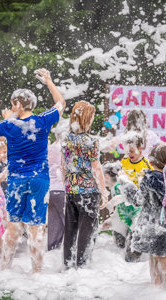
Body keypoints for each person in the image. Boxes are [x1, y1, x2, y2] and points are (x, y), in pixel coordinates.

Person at [0, 68, 66, 272]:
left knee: (13, 226)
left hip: (17, 180)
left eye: (12, 105)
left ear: (17, 105)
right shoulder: (43, 120)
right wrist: (49, 81)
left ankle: (5, 268)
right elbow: (61, 104)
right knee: (36, 228)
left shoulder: (10, 125)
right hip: (40, 180)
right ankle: (37, 271)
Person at [119, 144, 166, 284]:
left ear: (150, 162)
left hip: (150, 225)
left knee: (154, 261)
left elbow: (138, 200)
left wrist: (127, 187)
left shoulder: (149, 179)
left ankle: (159, 290)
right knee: (164, 262)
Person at [62, 101, 108, 269]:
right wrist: (103, 191)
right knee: (87, 231)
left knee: (70, 230)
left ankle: (67, 264)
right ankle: (82, 266)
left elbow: (64, 166)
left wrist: (66, 185)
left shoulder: (66, 139)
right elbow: (96, 167)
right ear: (87, 120)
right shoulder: (91, 141)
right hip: (88, 192)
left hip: (71, 190)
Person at [119, 132, 153, 262]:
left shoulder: (146, 165)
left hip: (139, 204)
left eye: (132, 151)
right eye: (128, 151)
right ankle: (119, 256)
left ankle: (132, 257)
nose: (130, 154)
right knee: (120, 233)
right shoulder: (123, 162)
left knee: (136, 230)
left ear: (140, 148)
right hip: (125, 203)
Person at [47, 121, 67, 251]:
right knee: (68, 222)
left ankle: (52, 248)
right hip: (62, 189)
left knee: (54, 222)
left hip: (50, 190)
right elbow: (65, 168)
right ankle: (68, 250)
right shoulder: (64, 148)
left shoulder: (50, 148)